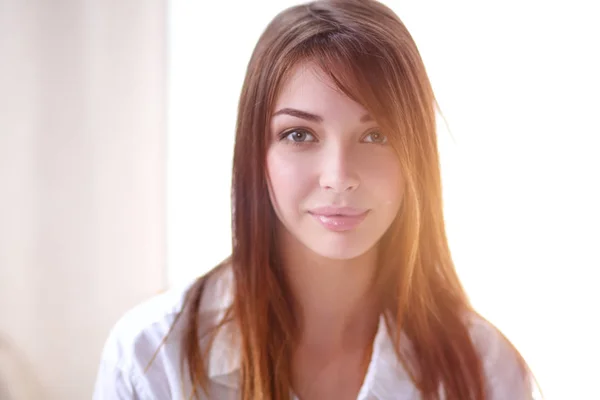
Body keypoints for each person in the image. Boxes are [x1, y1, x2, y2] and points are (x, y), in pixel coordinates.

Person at [93, 0, 536, 399]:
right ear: (255, 152)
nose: (339, 177)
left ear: (415, 156)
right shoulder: (152, 357)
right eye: (299, 134)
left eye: (375, 135)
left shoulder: (486, 370)